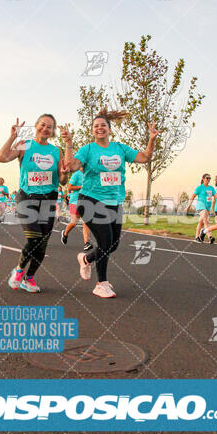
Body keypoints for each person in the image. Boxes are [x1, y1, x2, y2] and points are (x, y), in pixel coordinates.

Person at [63, 109, 159, 298]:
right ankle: (101, 284)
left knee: (113, 244)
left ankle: (86, 258)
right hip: (90, 200)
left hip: (114, 202)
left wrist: (152, 139)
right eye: (96, 126)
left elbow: (145, 157)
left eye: (103, 125)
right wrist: (68, 144)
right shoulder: (88, 149)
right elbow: (71, 165)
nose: (100, 128)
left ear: (109, 129)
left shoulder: (120, 148)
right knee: (105, 241)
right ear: (92, 131)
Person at [0, 115, 68, 293]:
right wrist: (13, 136)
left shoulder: (56, 151)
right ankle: (19, 270)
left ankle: (29, 278)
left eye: (50, 127)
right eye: (43, 124)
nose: (46, 128)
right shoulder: (25, 144)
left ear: (53, 131)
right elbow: (2, 157)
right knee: (34, 238)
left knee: (42, 243)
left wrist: (65, 174)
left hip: (49, 199)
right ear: (36, 126)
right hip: (26, 198)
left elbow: (63, 180)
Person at [61, 167, 93, 252]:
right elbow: (70, 187)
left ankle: (86, 243)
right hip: (75, 200)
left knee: (85, 222)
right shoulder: (76, 174)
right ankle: (65, 233)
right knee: (74, 223)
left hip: (85, 201)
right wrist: (81, 187)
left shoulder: (89, 175)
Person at [185, 174, 216, 243]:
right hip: (200, 206)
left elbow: (215, 197)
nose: (208, 179)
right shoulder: (200, 188)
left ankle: (197, 237)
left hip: (208, 207)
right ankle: (210, 237)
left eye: (209, 178)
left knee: (201, 222)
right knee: (206, 220)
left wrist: (214, 207)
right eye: (207, 178)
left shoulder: (211, 188)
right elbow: (193, 196)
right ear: (203, 179)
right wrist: (189, 205)